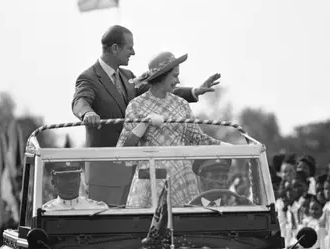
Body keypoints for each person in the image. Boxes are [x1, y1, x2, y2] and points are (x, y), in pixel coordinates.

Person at [72, 25, 220, 205]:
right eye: (129, 47)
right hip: (106, 169)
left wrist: (194, 91)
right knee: (109, 227)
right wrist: (87, 112)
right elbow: (80, 100)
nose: (133, 52)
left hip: (138, 170)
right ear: (115, 48)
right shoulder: (88, 77)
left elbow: (158, 92)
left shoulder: (127, 76)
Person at [116, 51, 226, 208]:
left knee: (185, 227)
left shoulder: (181, 104)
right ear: (162, 76)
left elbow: (198, 138)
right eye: (175, 76)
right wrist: (145, 123)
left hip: (182, 180)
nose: (178, 80)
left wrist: (227, 148)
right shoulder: (136, 105)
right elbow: (125, 148)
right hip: (150, 180)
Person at [43, 162, 108, 211]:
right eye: (64, 177)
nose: (70, 181)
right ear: (53, 182)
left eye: (74, 176)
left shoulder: (97, 208)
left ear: (80, 179)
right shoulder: (46, 211)